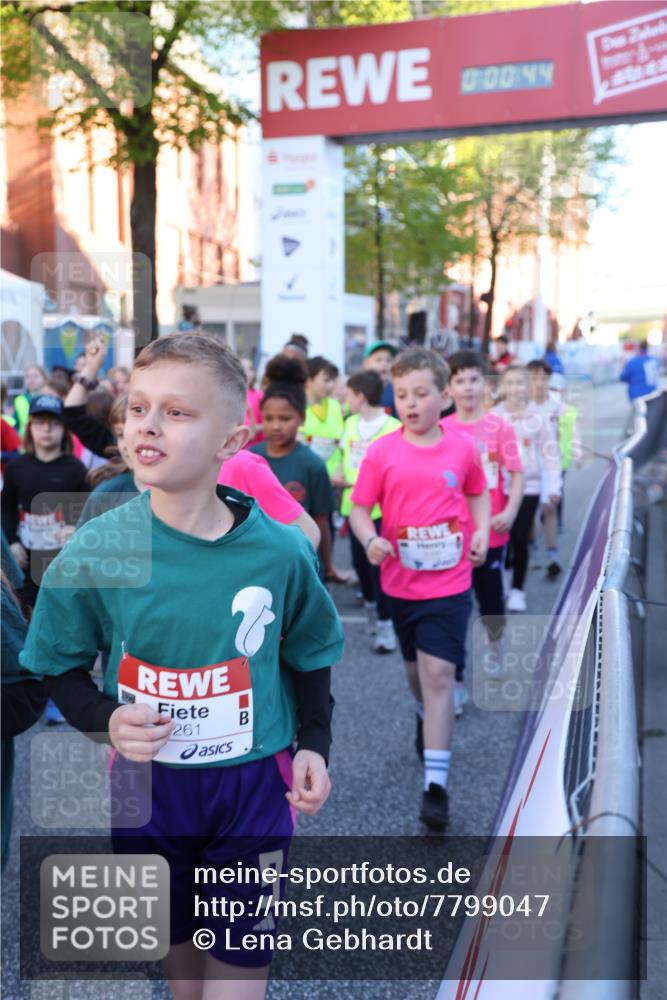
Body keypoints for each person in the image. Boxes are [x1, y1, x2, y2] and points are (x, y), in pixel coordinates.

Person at [20, 332, 344, 999]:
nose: (148, 425)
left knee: (236, 977)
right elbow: (56, 666)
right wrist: (104, 719)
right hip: (145, 793)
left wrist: (314, 742)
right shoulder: (97, 549)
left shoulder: (279, 552)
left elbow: (310, 650)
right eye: (138, 408)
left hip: (252, 785)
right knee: (180, 972)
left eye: (177, 412)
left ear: (233, 440)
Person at [350, 348, 489, 831]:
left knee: (438, 673)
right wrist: (370, 539)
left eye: (421, 393)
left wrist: (481, 531)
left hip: (451, 582)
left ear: (444, 395)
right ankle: (421, 712)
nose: (410, 403)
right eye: (402, 394)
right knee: (416, 674)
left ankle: (436, 786)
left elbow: (476, 490)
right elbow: (359, 508)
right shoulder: (382, 451)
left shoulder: (462, 447)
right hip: (401, 584)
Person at [442, 351, 523, 649]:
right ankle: (455, 666)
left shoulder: (500, 427)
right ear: (448, 388)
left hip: (490, 528)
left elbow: (516, 474)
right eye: (459, 380)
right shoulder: (442, 429)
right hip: (450, 530)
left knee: (490, 598)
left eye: (474, 379)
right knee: (452, 603)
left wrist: (511, 511)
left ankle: (495, 645)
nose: (468, 387)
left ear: (485, 385)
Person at [252, 356, 339, 581]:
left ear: (301, 417)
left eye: (285, 418)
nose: (276, 425)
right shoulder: (249, 459)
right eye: (269, 418)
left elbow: (322, 522)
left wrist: (327, 567)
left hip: (301, 566)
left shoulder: (313, 464)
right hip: (258, 565)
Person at [332, 370, 400, 653]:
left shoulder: (393, 426)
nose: (345, 399)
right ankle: (373, 608)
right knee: (361, 566)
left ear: (360, 396)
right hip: (353, 506)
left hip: (381, 509)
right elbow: (343, 457)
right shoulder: (349, 425)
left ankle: (387, 625)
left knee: (379, 568)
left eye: (348, 394)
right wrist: (338, 472)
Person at [1, 394, 89, 609]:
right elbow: (7, 508)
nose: (47, 430)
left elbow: (88, 512)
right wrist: (11, 542)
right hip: (26, 561)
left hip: (64, 561)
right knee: (28, 614)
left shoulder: (76, 469)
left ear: (64, 429)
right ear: (30, 427)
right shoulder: (16, 467)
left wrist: (75, 529)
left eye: (54, 424)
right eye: (40, 423)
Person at [492, 365, 561, 611]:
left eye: (520, 383)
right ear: (503, 386)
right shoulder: (494, 415)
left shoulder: (538, 417)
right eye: (509, 383)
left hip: (529, 486)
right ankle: (504, 577)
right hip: (498, 488)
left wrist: (554, 486)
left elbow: (550, 453)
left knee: (519, 537)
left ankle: (518, 589)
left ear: (527, 386)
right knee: (501, 538)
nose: (515, 388)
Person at [302, 356, 345, 479]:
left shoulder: (335, 406)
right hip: (307, 477)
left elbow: (340, 444)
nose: (330, 385)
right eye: (326, 380)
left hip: (332, 477)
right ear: (309, 380)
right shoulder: (297, 407)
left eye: (332, 381)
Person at [362, 340, 398, 415]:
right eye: (378, 360)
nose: (384, 364)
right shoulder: (360, 392)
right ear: (366, 364)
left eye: (389, 360)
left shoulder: (396, 392)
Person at [12, 364, 48, 435]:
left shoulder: (50, 398)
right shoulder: (19, 400)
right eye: (28, 377)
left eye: (35, 376)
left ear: (45, 379)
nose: (31, 380)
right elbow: (16, 425)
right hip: (25, 442)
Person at [240, 356, 264, 447]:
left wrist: (255, 429)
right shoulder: (227, 395)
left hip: (254, 449)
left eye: (250, 368)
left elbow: (266, 424)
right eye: (242, 368)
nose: (246, 372)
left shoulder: (260, 396)